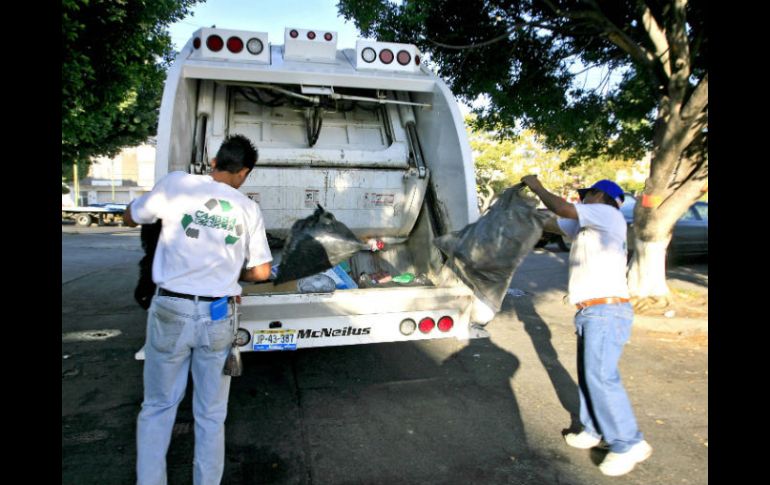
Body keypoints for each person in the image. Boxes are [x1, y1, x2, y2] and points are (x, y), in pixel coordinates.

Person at [124, 134, 273, 485]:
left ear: (213, 162)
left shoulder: (178, 185)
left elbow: (134, 216)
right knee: (210, 413)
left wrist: (131, 212)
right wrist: (226, 272)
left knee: (158, 407)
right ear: (245, 173)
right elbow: (263, 272)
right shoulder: (247, 208)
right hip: (218, 315)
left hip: (171, 308)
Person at [520, 175, 652, 477]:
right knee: (591, 375)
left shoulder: (608, 214)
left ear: (601, 196)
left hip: (606, 311)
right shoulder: (588, 225)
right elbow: (556, 221)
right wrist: (528, 209)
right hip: (593, 312)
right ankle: (594, 430)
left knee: (602, 378)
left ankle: (628, 441)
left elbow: (564, 210)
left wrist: (537, 187)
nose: (582, 199)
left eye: (587, 194)